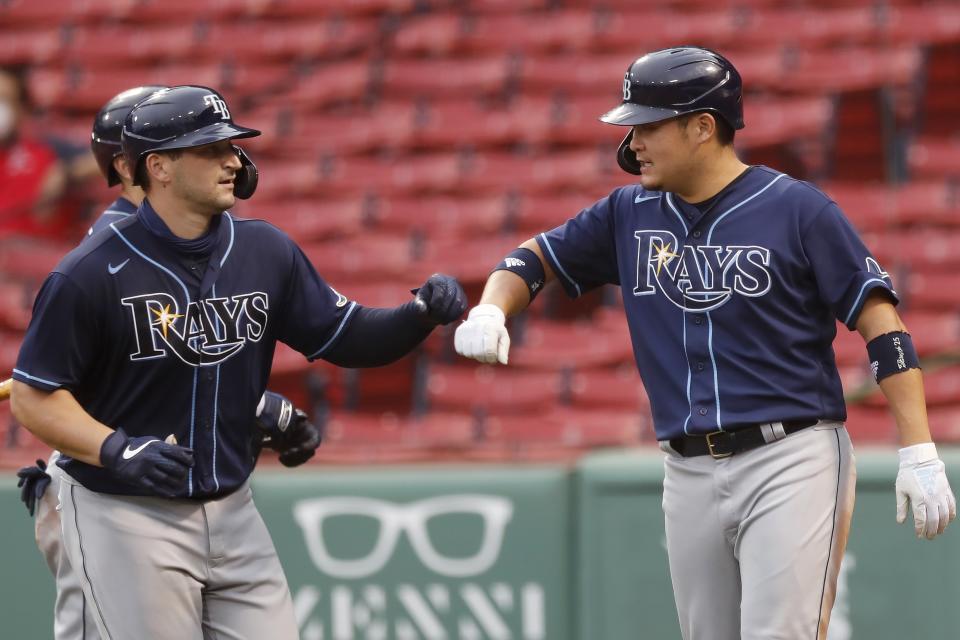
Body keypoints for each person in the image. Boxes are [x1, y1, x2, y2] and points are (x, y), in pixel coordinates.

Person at [454, 46, 956, 639]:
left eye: (648, 124)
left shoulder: (798, 210)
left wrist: (918, 449)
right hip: (686, 466)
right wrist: (492, 304)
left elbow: (883, 327)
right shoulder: (627, 212)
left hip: (790, 454)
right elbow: (532, 259)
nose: (633, 141)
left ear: (701, 126)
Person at [10, 84, 467, 640]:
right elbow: (36, 395)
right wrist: (116, 448)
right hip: (124, 510)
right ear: (158, 167)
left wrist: (417, 315)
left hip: (231, 507)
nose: (234, 160)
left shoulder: (264, 250)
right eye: (211, 149)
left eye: (232, 146)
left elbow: (345, 337)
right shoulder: (89, 271)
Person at [12, 84, 324, 640]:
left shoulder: (185, 238)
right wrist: (262, 407)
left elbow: (190, 364)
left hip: (159, 490)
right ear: (142, 164)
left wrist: (257, 407)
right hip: (110, 495)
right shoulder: (111, 249)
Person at [0, 64, 72, 239]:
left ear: (21, 110)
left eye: (5, 100)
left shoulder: (44, 157)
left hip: (20, 257)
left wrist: (68, 173)